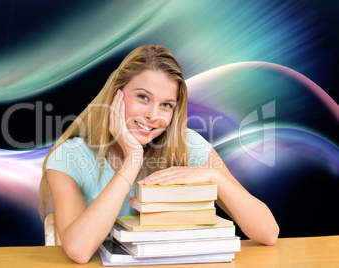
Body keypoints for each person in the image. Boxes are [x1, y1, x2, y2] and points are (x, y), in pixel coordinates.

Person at [39, 44, 279, 264]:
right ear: (116, 94)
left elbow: (268, 232)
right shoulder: (68, 157)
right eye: (143, 97)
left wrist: (214, 176)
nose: (153, 115)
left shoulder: (188, 145)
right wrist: (132, 160)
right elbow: (79, 251)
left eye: (166, 105)